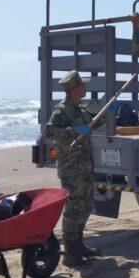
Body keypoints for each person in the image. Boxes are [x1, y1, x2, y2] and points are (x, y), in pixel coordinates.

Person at [46, 70, 102, 267]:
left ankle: (78, 244)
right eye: (81, 85)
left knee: (86, 205)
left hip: (84, 165)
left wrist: (106, 114)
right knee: (73, 208)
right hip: (72, 168)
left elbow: (91, 124)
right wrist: (75, 131)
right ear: (73, 89)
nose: (85, 88)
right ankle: (70, 251)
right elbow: (50, 131)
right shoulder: (62, 110)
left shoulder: (80, 108)